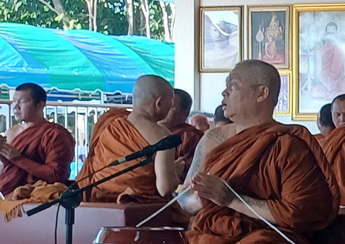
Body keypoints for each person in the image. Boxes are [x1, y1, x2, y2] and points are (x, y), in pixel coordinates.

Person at [179, 60, 337, 244]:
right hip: (211, 234)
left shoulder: (287, 144)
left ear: (262, 93)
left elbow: (298, 213)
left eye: (233, 86)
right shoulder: (212, 139)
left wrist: (230, 199)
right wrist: (199, 199)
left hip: (262, 239)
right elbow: (183, 200)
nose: (224, 92)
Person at [76, 75, 180, 203]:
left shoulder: (110, 123)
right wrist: (175, 173)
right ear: (159, 103)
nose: (172, 106)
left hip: (99, 201)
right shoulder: (162, 136)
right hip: (135, 205)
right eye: (171, 101)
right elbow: (165, 189)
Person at [0, 83, 75, 197]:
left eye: (22, 102)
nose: (15, 106)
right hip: (7, 193)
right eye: (14, 101)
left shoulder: (55, 134)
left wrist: (18, 159)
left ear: (40, 105)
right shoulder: (11, 131)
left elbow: (57, 175)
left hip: (35, 196)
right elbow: (9, 168)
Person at [161, 88, 203, 178]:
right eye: (161, 105)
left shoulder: (190, 137)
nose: (162, 110)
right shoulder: (148, 131)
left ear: (185, 112)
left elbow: (190, 174)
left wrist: (169, 173)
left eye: (169, 107)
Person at [312, 21, 345, 99]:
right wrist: (326, 84)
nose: (331, 36)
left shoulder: (342, 49)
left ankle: (333, 94)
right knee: (315, 91)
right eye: (329, 33)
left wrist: (336, 82)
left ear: (336, 33)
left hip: (340, 83)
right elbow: (318, 72)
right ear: (326, 34)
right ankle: (333, 94)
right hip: (325, 83)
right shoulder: (321, 50)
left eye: (333, 33)